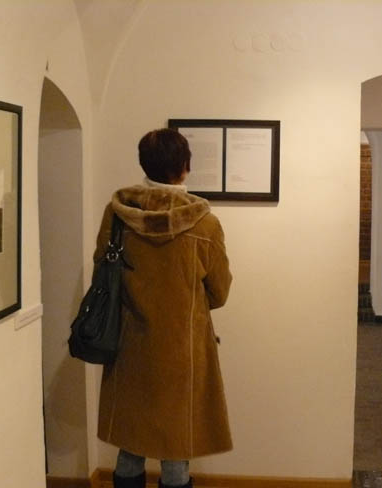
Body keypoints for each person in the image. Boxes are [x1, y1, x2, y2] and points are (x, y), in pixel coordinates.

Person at [94, 128, 233, 488]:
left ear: (144, 164)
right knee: (176, 448)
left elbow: (102, 273)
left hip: (129, 345)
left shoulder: (117, 215)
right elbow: (219, 292)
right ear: (185, 165)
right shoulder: (204, 223)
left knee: (131, 442)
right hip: (183, 351)